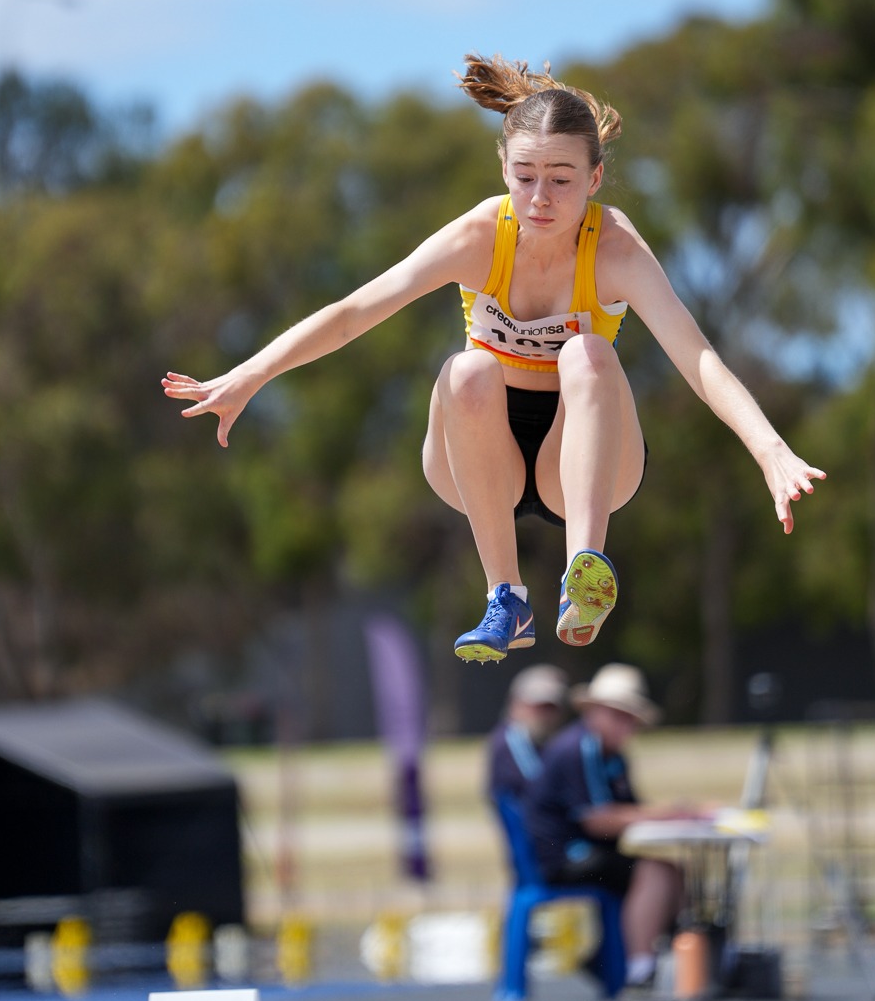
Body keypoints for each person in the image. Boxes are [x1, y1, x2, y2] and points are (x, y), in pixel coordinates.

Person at [163, 55, 824, 659]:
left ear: (595, 179)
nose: (541, 199)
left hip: (583, 459)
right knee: (468, 368)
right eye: (525, 177)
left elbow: (698, 359)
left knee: (589, 355)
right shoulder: (480, 235)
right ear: (503, 168)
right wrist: (250, 374)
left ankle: (584, 573)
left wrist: (770, 451)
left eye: (561, 180)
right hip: (481, 460)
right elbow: (353, 313)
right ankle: (505, 598)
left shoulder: (616, 249)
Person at [523, 663, 696, 997]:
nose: (626, 726)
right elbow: (598, 819)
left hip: (594, 851)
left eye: (630, 718)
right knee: (653, 872)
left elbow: (630, 811)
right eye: (618, 716)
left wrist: (666, 816)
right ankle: (641, 969)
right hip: (565, 856)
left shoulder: (612, 756)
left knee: (673, 872)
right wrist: (667, 815)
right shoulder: (577, 748)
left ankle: (679, 957)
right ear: (595, 712)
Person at [487, 664, 568, 803]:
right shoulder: (512, 740)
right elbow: (536, 788)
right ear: (516, 704)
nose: (545, 715)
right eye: (538, 707)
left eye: (551, 708)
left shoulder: (543, 739)